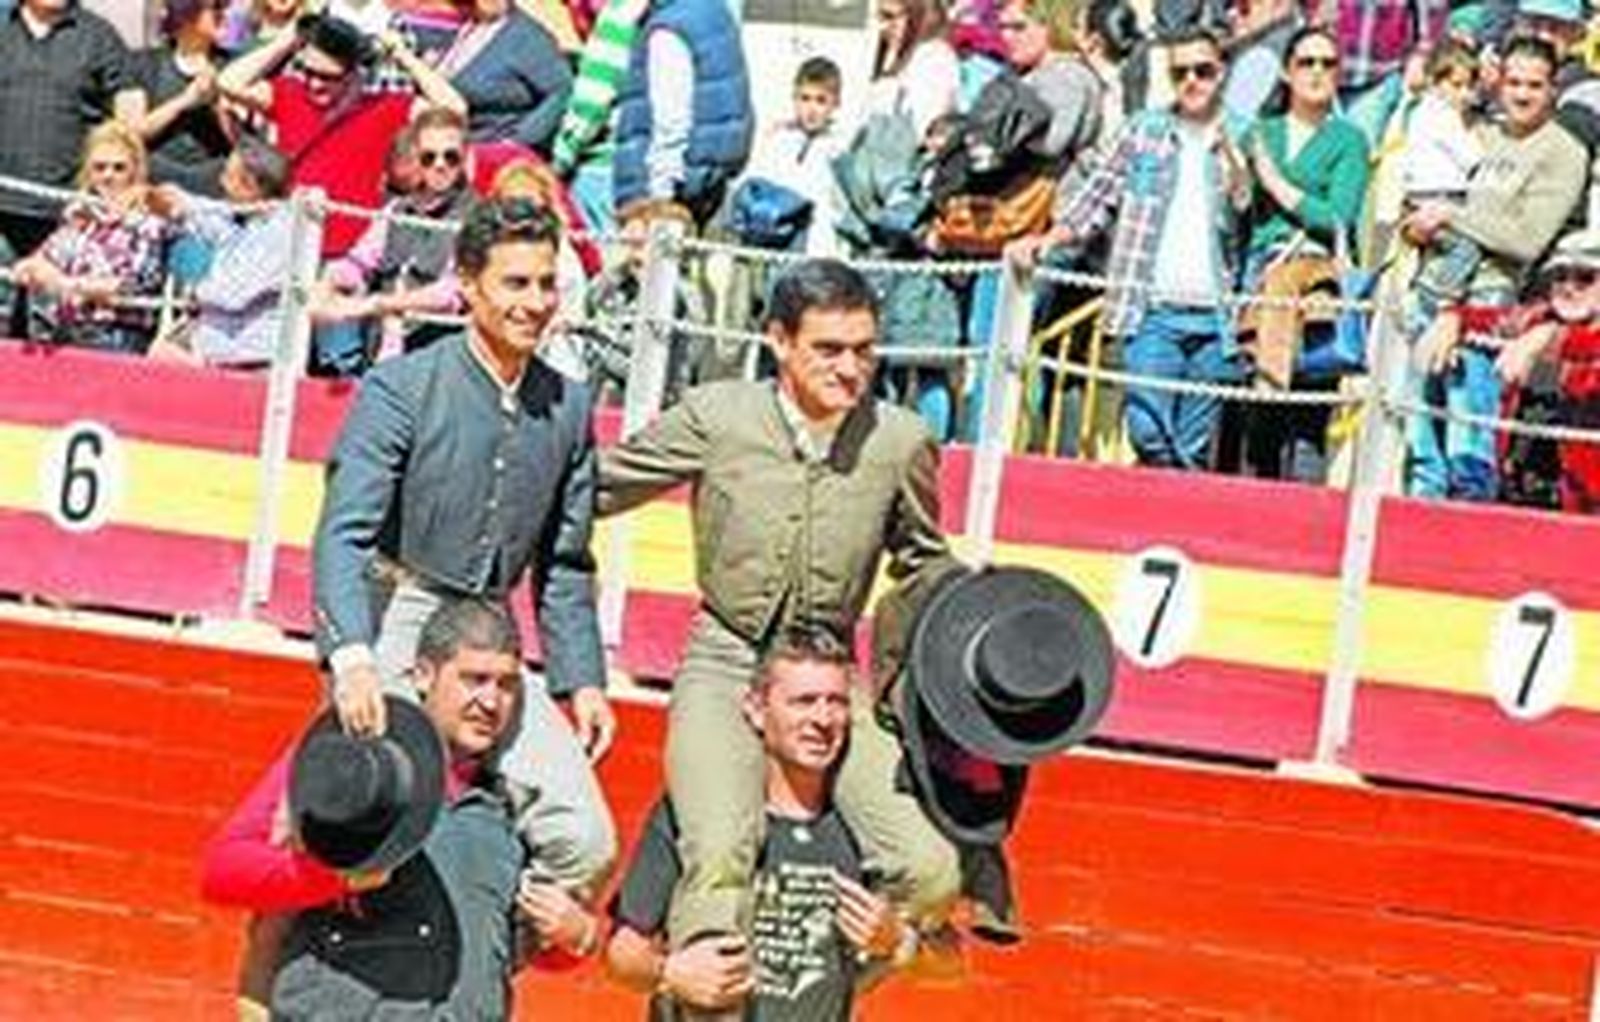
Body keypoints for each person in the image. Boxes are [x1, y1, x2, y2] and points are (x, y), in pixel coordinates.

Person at [596, 258, 962, 957]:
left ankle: (819, 990)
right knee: (722, 848)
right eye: (828, 350)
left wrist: (927, 680)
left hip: (831, 675)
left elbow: (924, 563)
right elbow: (597, 488)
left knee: (928, 870)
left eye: (863, 350)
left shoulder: (899, 440)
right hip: (727, 657)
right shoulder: (718, 417)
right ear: (779, 341)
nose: (850, 369)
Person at [312, 196, 618, 895]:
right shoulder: (401, 386)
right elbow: (344, 530)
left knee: (585, 842)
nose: (535, 302)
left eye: (546, 283)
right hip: (398, 614)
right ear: (470, 285)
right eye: (516, 283)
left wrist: (582, 680)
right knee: (374, 805)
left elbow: (565, 565)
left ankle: (481, 960)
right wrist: (352, 658)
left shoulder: (568, 407)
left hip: (489, 631)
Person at [201, 598, 602, 1019]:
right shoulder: (355, 765)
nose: (491, 702)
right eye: (474, 679)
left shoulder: (519, 803)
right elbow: (224, 871)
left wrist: (577, 936)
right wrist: (335, 878)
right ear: (424, 675)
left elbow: (510, 950)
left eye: (506, 685)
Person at [607, 629, 912, 1020]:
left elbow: (949, 959)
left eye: (835, 702)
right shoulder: (702, 812)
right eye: (803, 702)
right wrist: (670, 972)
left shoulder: (865, 827)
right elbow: (621, 952)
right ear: (755, 708)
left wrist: (898, 940)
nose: (822, 719)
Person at [1011, 26, 1252, 471]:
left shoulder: (1242, 134)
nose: (1192, 82)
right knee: (1146, 430)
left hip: (1217, 316)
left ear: (1223, 73)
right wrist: (1049, 239)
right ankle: (1177, 506)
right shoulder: (1144, 131)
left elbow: (1245, 204)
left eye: (1204, 70)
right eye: (1181, 73)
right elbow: (1095, 198)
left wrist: (1233, 155)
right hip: (1151, 309)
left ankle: (1170, 525)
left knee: (1194, 442)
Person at [1402, 35, 1587, 501]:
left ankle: (1462, 565)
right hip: (1435, 289)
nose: (1522, 94)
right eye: (1514, 82)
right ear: (1498, 83)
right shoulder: (1487, 136)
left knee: (1470, 450)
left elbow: (1527, 239)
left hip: (1490, 304)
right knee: (1423, 451)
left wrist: (1449, 215)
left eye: (1535, 85)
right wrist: (1421, 227)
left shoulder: (1563, 152)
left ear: (1553, 91)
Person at [1231, 26, 1370, 481]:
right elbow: (1242, 209)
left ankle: (1306, 531)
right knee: (1258, 417)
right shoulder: (1260, 131)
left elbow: (1338, 217)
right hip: (1260, 271)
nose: (1316, 72)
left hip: (1315, 281)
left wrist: (1278, 185)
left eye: (1327, 63)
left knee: (1309, 419)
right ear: (1287, 73)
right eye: (1306, 62)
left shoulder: (1349, 139)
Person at [217, 13, 466, 256]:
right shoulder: (289, 93)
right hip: (288, 245)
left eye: (328, 77)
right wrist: (290, 38)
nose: (315, 83)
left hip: (348, 254)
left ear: (355, 74)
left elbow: (456, 110)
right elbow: (229, 82)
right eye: (308, 72)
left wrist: (403, 55)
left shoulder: (383, 106)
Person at [0, 0, 136, 333]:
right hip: (1, 208)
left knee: (49, 333)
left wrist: (120, 182)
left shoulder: (99, 36)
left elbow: (129, 109)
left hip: (68, 215)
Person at [311, 106, 474, 374]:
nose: (440, 165)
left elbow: (451, 294)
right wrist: (328, 281)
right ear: (416, 157)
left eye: (451, 157)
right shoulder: (396, 210)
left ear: (466, 158)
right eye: (429, 157)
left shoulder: (477, 217)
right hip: (381, 357)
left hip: (439, 364)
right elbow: (360, 262)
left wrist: (374, 305)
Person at [10, 120, 171, 354]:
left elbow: (129, 285)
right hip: (64, 330)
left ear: (136, 171)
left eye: (119, 168)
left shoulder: (148, 221)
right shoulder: (79, 216)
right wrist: (31, 268)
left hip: (115, 335)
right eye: (100, 167)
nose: (108, 176)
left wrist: (63, 284)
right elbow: (45, 257)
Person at [147, 135, 296, 368]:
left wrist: (196, 293)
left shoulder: (283, 230)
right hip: (216, 353)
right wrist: (159, 198)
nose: (220, 180)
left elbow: (235, 295)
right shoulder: (239, 215)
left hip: (253, 360)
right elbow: (200, 211)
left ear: (251, 185)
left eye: (228, 175)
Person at [610, 0, 754, 230]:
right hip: (711, 185)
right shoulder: (714, 12)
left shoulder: (669, 30)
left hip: (669, 197)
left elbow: (671, 122)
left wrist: (659, 197)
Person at [1498, 229, 1600, 512]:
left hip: (1587, 510)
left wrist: (1554, 338)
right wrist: (1452, 317)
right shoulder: (1536, 321)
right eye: (1560, 277)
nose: (1569, 287)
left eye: (1585, 278)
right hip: (1523, 494)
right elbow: (1490, 323)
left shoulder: (1549, 334)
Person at [120, 0, 236, 197]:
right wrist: (186, 100)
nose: (224, 14)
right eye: (215, 7)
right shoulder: (144, 64)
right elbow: (128, 133)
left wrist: (217, 102)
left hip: (214, 187)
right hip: (156, 185)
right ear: (186, 13)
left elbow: (243, 141)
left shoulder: (233, 66)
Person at [435, 0, 574, 157]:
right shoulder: (468, 27)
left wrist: (516, 143)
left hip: (496, 156)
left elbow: (562, 90)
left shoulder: (525, 37)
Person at [868, 0, 961, 143]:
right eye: (880, 17)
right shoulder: (900, 56)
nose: (883, 27)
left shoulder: (935, 60)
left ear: (918, 14)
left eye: (890, 16)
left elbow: (920, 130)